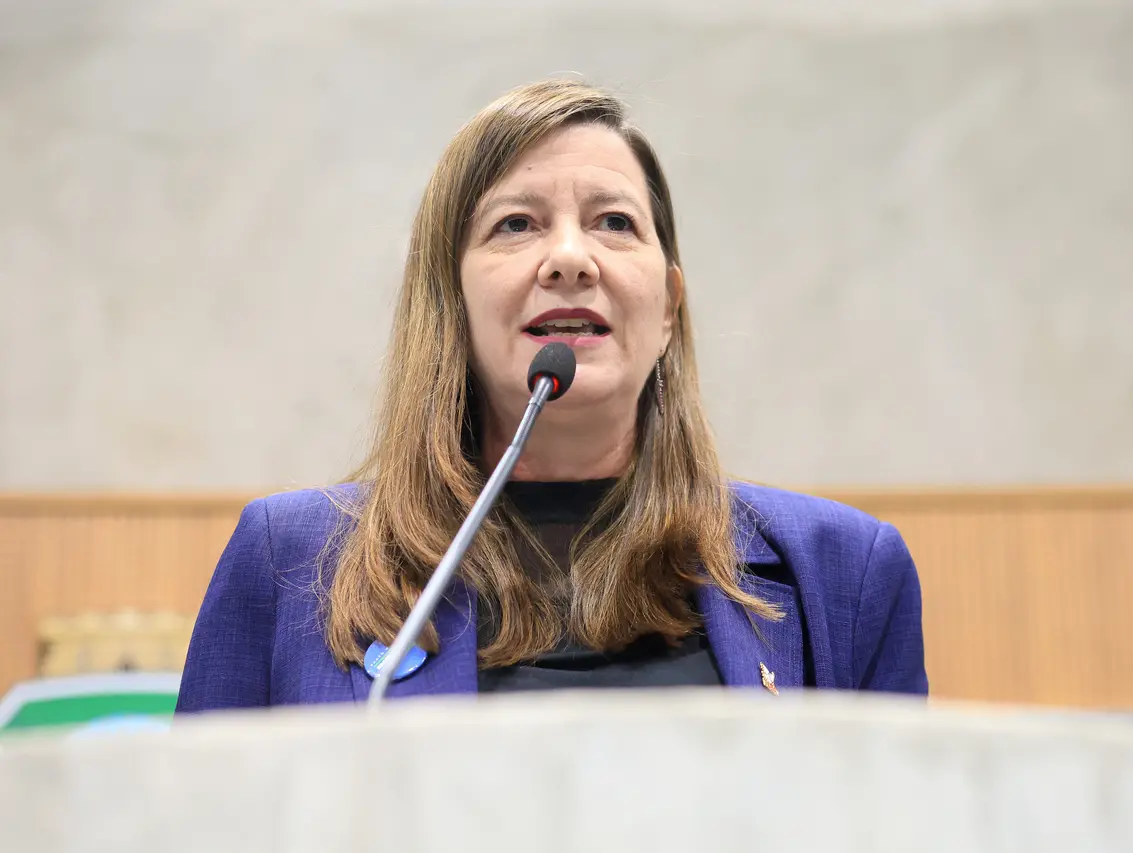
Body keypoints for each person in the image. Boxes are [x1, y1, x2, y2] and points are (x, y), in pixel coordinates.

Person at [176, 79, 927, 710]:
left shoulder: (845, 574)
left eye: (614, 222)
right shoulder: (287, 562)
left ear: (668, 308)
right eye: (516, 224)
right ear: (451, 302)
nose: (570, 257)